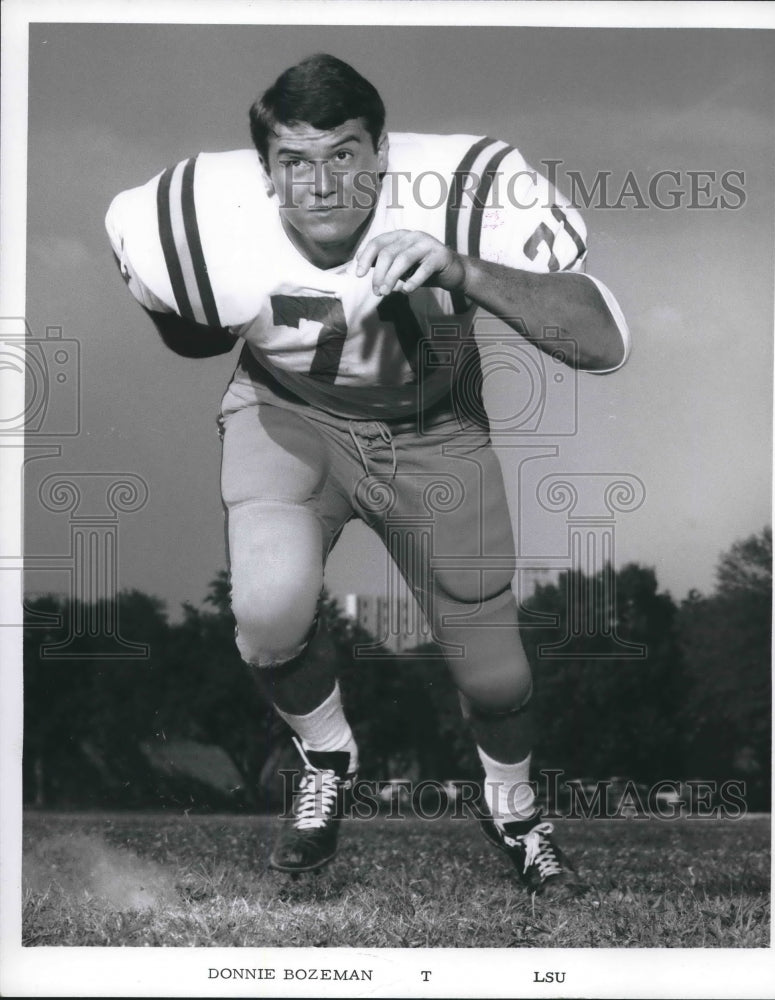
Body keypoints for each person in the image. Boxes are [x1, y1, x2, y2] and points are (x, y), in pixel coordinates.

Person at [106, 53, 629, 901]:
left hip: (435, 431)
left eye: (343, 154)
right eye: (296, 163)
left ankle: (513, 808)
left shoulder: (461, 191)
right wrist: (194, 311)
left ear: (381, 152)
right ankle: (326, 753)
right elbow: (190, 328)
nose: (320, 185)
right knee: (267, 607)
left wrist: (461, 270)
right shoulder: (201, 217)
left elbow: (602, 342)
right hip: (290, 413)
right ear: (266, 173)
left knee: (497, 679)